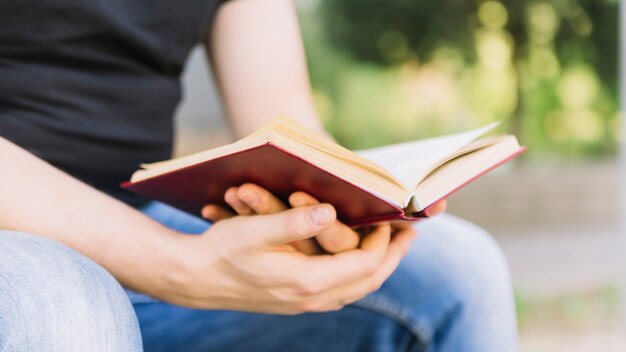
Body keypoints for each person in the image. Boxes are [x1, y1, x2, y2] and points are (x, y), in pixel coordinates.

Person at [0, 0, 517, 351]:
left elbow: (281, 123)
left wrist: (334, 213)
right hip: (33, 253)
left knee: (457, 270)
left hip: (142, 227)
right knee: (64, 299)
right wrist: (176, 263)